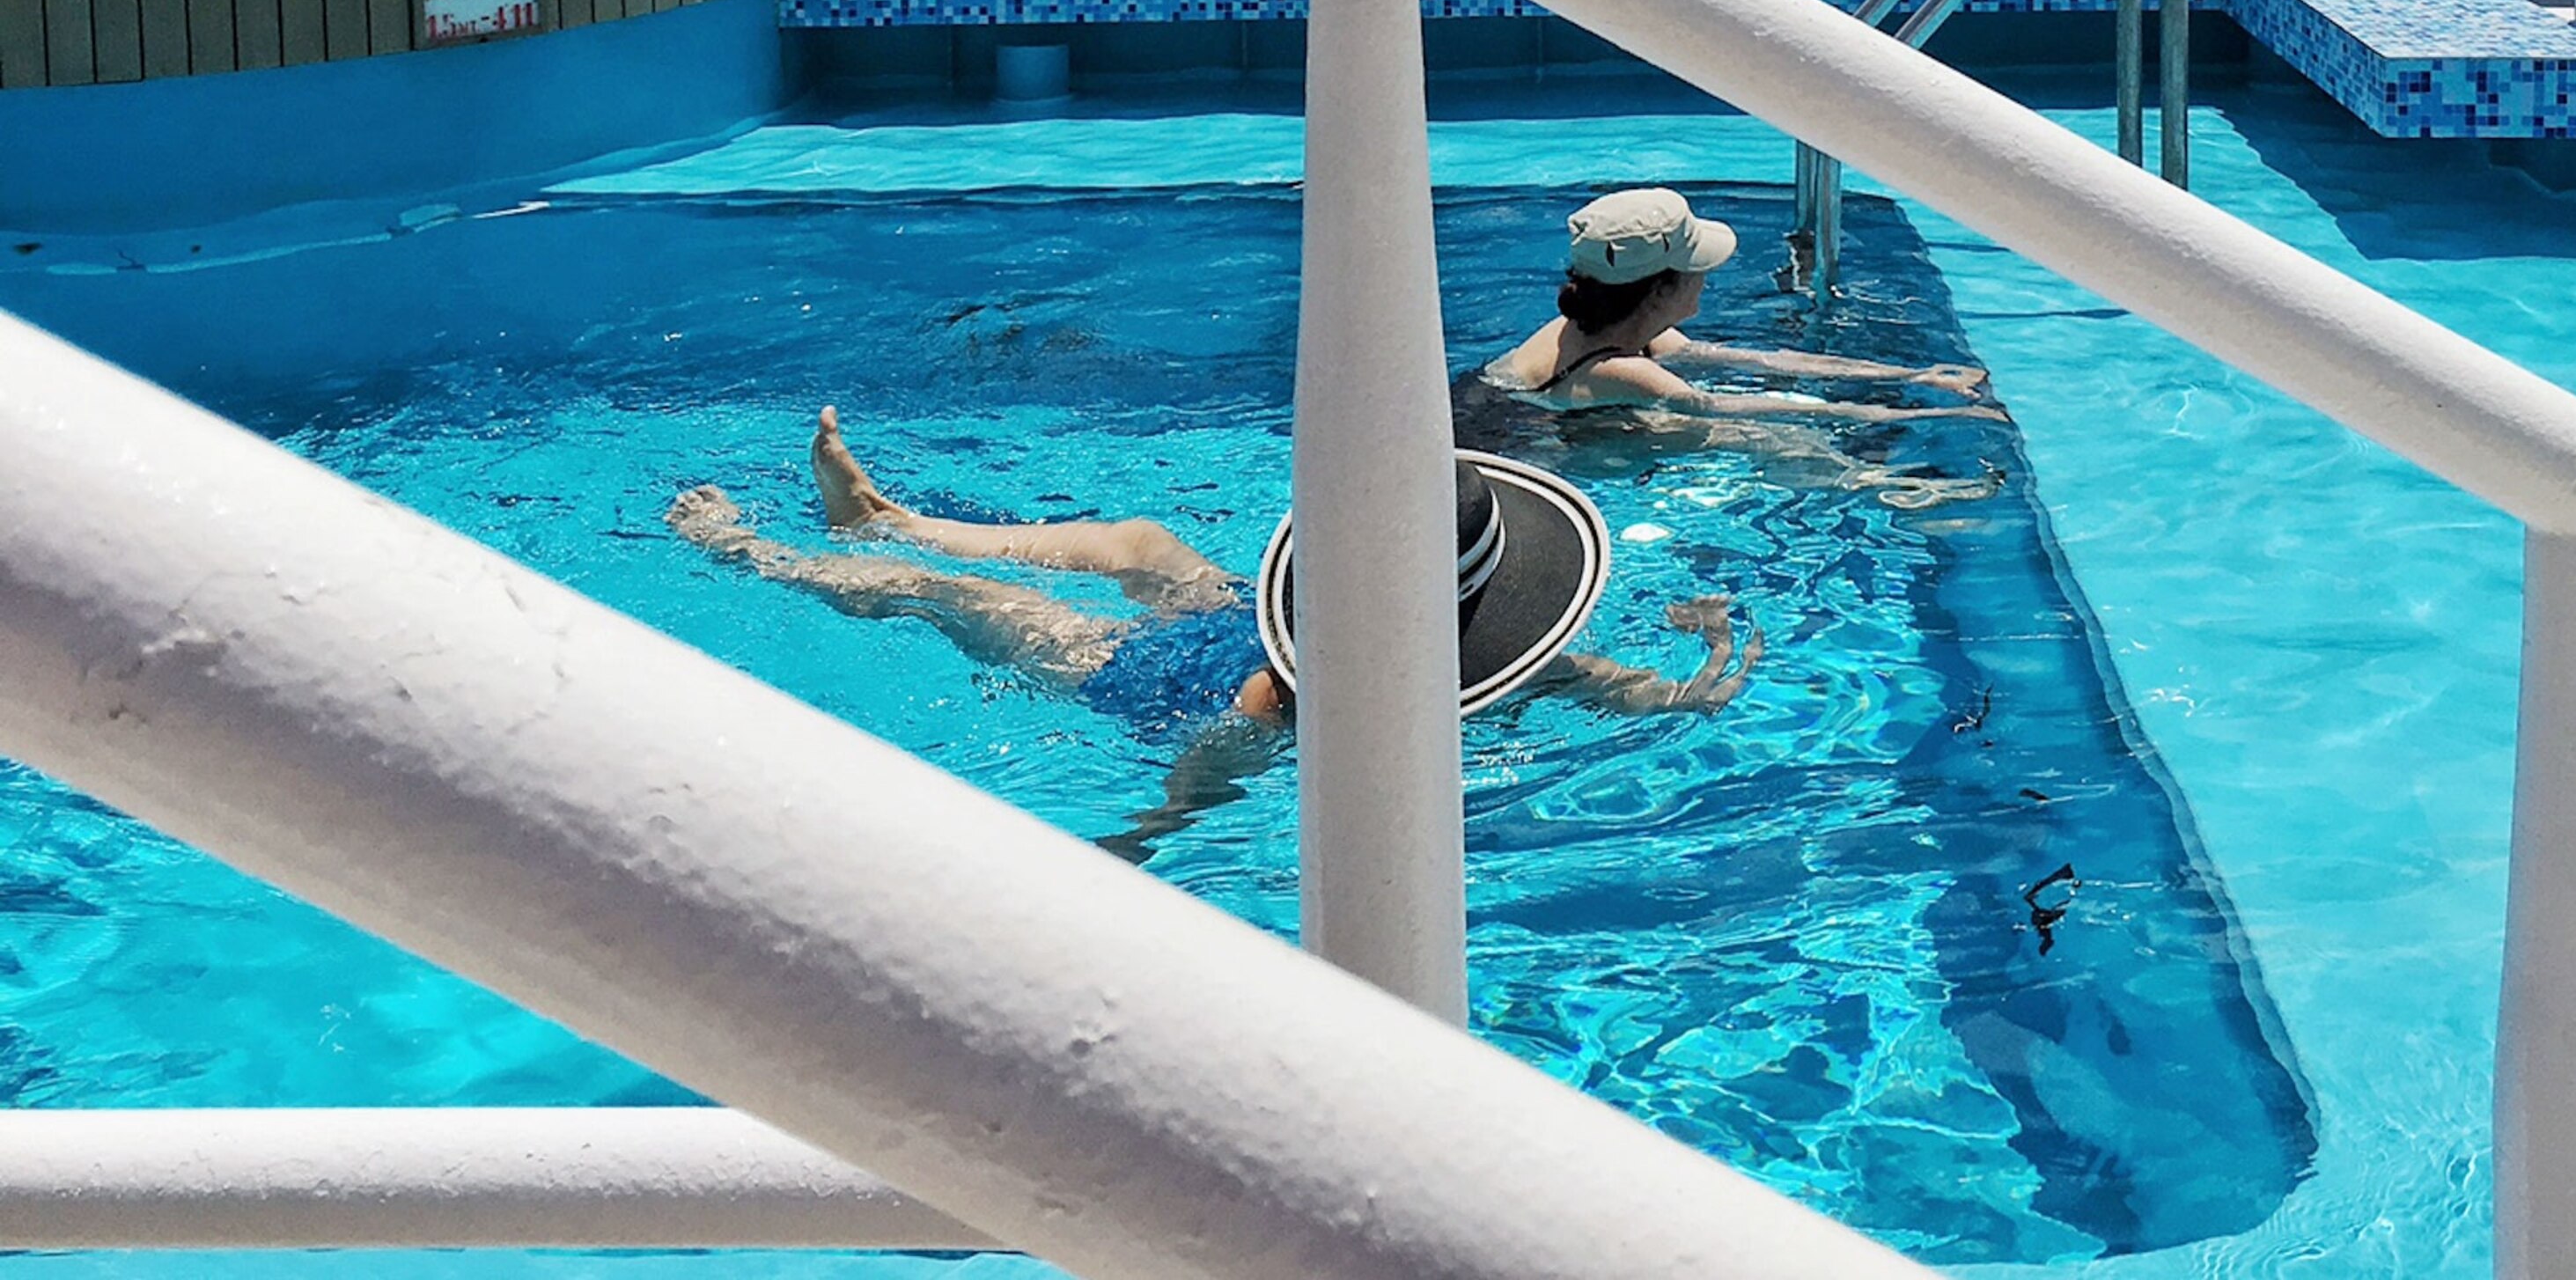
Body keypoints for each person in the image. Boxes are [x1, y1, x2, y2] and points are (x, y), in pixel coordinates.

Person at [669, 409, 1762, 740]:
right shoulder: (1498, 651)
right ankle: (887, 518)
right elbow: (1649, 695)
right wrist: (1707, 651)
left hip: (1150, 678)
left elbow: (1215, 761)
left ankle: (746, 552)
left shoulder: (1294, 694)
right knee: (1142, 541)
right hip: (1256, 631)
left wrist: (1146, 842)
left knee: (973, 601)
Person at [1482, 188, 1990, 420]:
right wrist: (1932, 419)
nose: (1708, 275)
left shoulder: (1619, 325)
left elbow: (1767, 362)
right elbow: (1743, 412)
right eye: (1697, 264)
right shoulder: (1622, 369)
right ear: (1660, 289)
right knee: (1782, 446)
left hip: (1524, 412)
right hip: (1508, 439)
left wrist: (1911, 378)